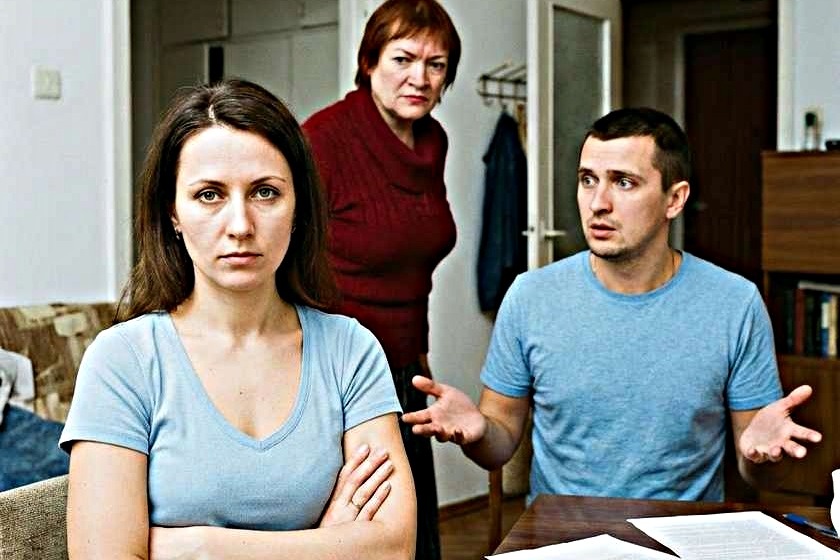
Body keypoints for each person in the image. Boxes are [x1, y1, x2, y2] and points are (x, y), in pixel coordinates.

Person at [59, 79, 415, 559]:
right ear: (173, 213)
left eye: (265, 192)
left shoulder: (351, 350)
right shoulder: (123, 360)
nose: (241, 226)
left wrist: (201, 547)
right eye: (209, 195)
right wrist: (325, 543)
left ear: (298, 208)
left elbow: (392, 549)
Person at [403, 107, 823, 504]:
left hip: (679, 537)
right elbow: (499, 445)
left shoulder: (734, 303)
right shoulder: (530, 297)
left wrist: (764, 457)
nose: (598, 203)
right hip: (563, 536)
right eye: (588, 180)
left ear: (674, 199)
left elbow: (758, 469)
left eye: (623, 182)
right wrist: (479, 432)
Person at [302, 1, 460, 557]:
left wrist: (418, 356)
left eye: (436, 65)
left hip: (405, 369)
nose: (420, 78)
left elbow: (411, 263)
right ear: (369, 61)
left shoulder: (433, 142)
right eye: (403, 59)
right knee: (363, 540)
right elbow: (286, 261)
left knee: (416, 538)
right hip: (335, 376)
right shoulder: (323, 139)